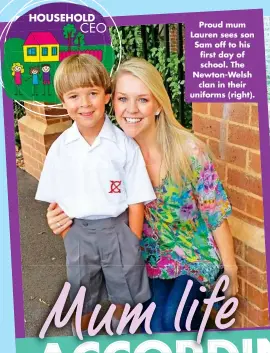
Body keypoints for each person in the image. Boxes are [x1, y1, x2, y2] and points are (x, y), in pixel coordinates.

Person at [46, 57, 238, 333]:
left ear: (158, 104)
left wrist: (230, 270)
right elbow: (83, 203)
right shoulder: (111, 152)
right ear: (113, 102)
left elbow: (216, 213)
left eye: (143, 100)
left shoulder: (189, 152)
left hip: (194, 260)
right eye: (123, 99)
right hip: (147, 261)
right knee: (150, 324)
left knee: (173, 321)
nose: (131, 110)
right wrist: (58, 220)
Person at [35, 54, 156, 334]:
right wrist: (69, 235)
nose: (85, 103)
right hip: (79, 232)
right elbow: (55, 202)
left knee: (124, 290)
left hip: (118, 230)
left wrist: (131, 241)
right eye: (74, 96)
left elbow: (137, 201)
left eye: (92, 93)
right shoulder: (61, 149)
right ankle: (83, 336)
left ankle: (120, 330)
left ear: (106, 96)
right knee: (82, 296)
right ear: (63, 102)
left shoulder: (124, 146)